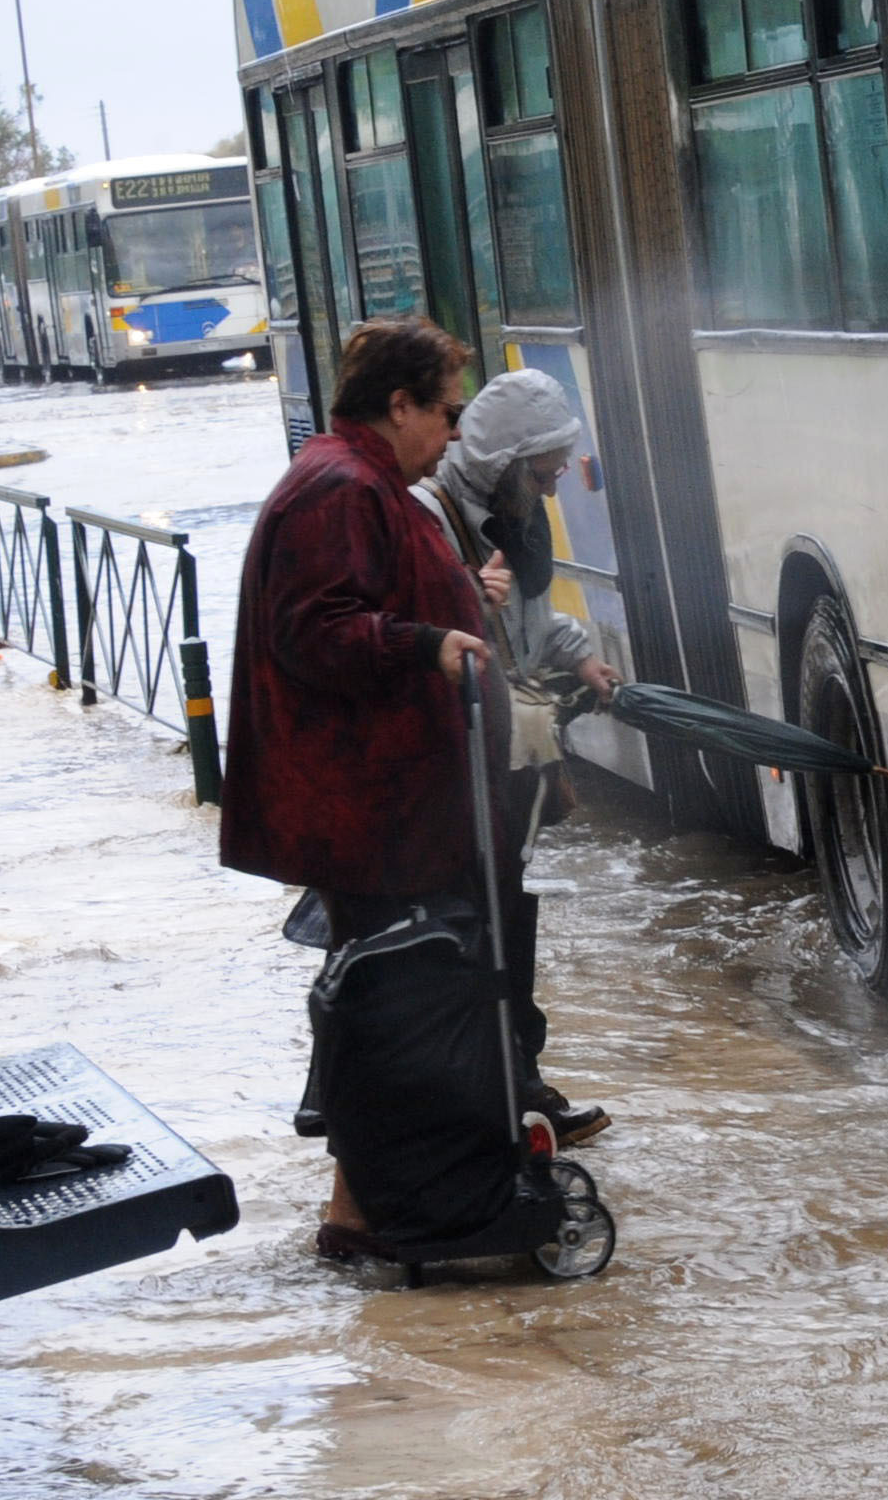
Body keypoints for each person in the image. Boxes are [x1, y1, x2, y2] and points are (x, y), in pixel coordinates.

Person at [218, 317, 593, 1261]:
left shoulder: (364, 482)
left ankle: (368, 1210)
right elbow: (317, 629)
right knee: (396, 1005)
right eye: (446, 412)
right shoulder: (340, 488)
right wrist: (427, 642)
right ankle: (382, 1215)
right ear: (399, 406)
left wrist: (457, 604)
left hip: (397, 806)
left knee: (396, 1003)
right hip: (374, 811)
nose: (455, 433)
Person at [416, 368, 621, 1147]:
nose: (554, 484)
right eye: (542, 472)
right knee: (483, 925)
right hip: (456, 768)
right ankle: (506, 1092)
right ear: (504, 464)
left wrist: (580, 658)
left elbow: (533, 617)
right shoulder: (431, 517)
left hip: (497, 756)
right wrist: (469, 598)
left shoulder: (507, 516)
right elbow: (423, 630)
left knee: (506, 914)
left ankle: (514, 1081)